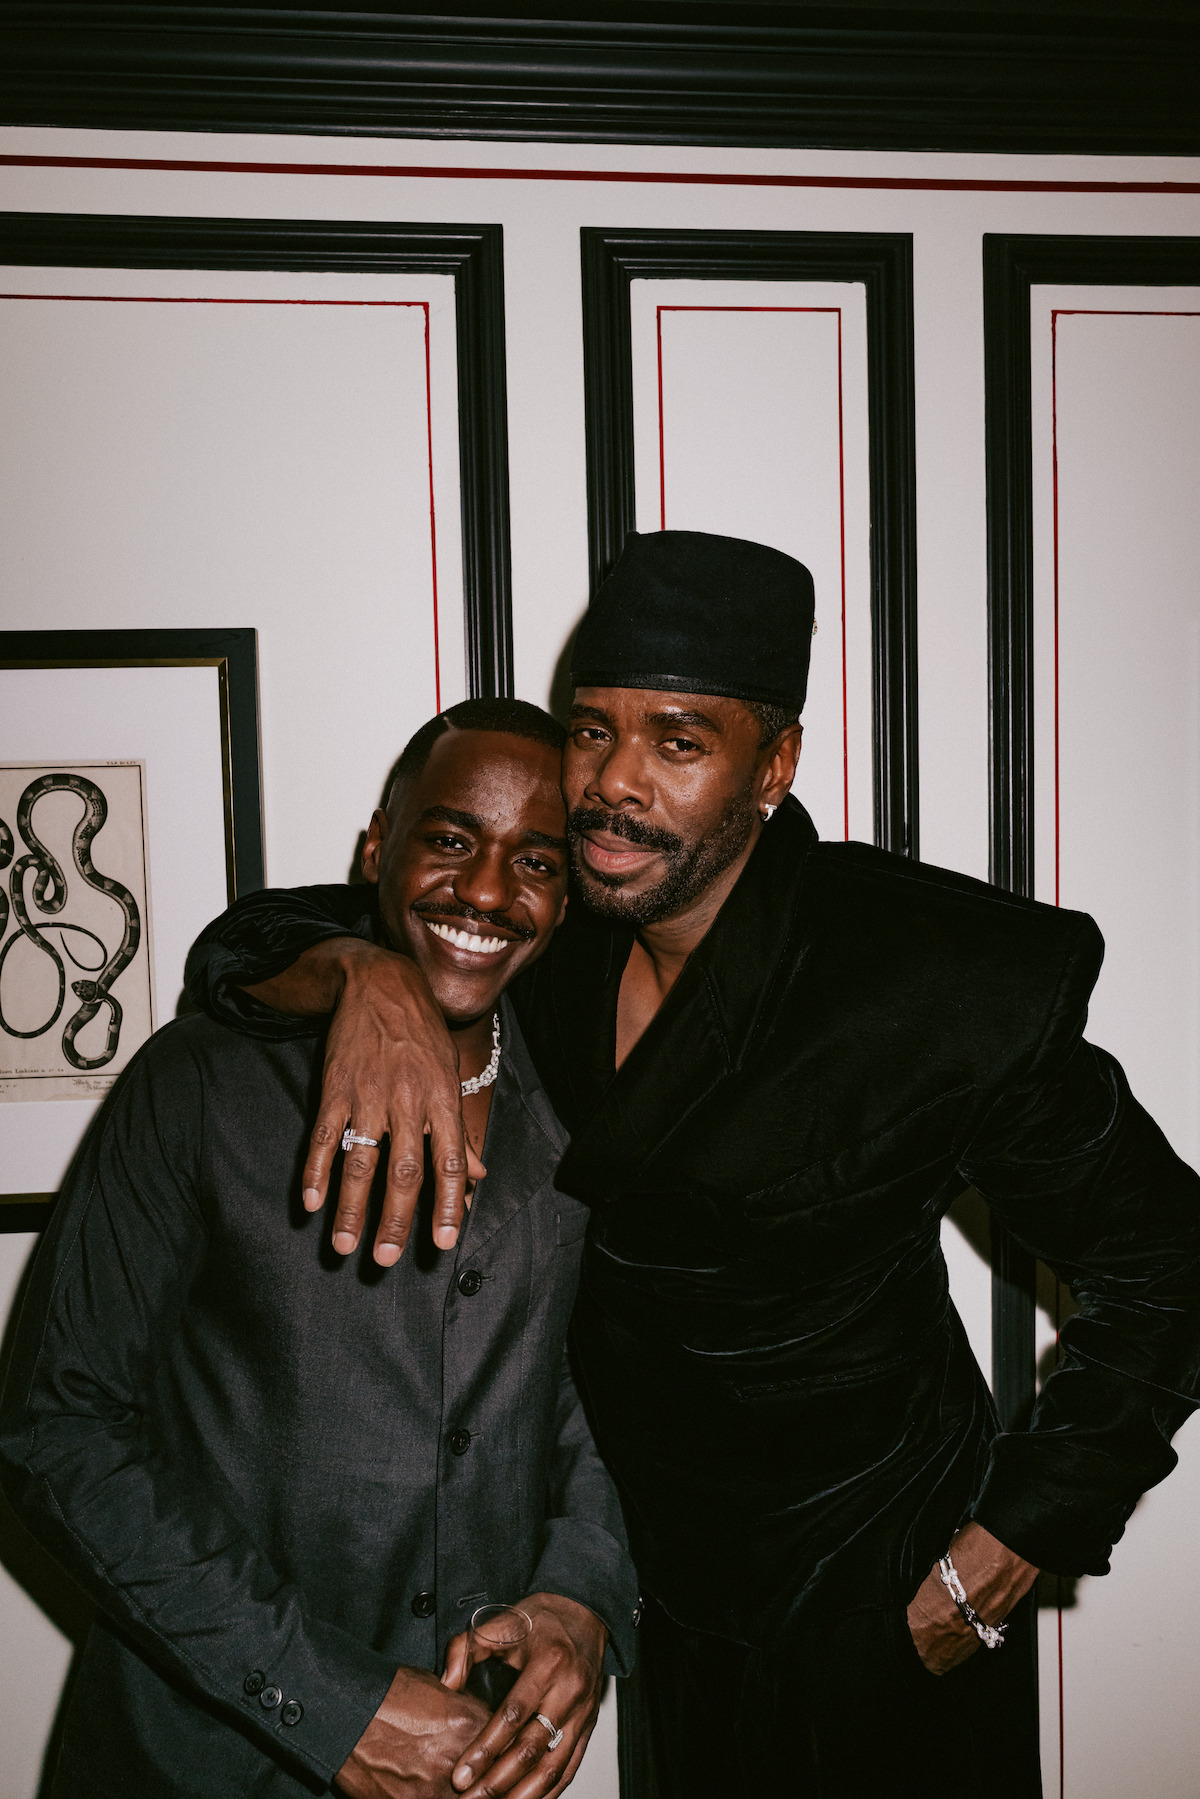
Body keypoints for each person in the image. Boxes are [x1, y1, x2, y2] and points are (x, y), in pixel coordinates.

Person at [182, 533, 1200, 1798]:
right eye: (591, 731)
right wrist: (367, 975)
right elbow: (247, 942)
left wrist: (1010, 1545)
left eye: (676, 741)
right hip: (655, 1608)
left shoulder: (932, 975)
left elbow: (1173, 1265)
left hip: (883, 1613)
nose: (611, 788)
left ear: (772, 763)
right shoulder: (547, 933)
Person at [0, 698, 638, 1799]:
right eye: (450, 840)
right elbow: (56, 1427)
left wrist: (583, 1591)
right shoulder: (199, 1081)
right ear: (377, 846)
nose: (487, 891)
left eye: (534, 859)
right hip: (193, 1759)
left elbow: (600, 1386)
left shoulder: (593, 1107)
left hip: (473, 1765)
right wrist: (332, 1701)